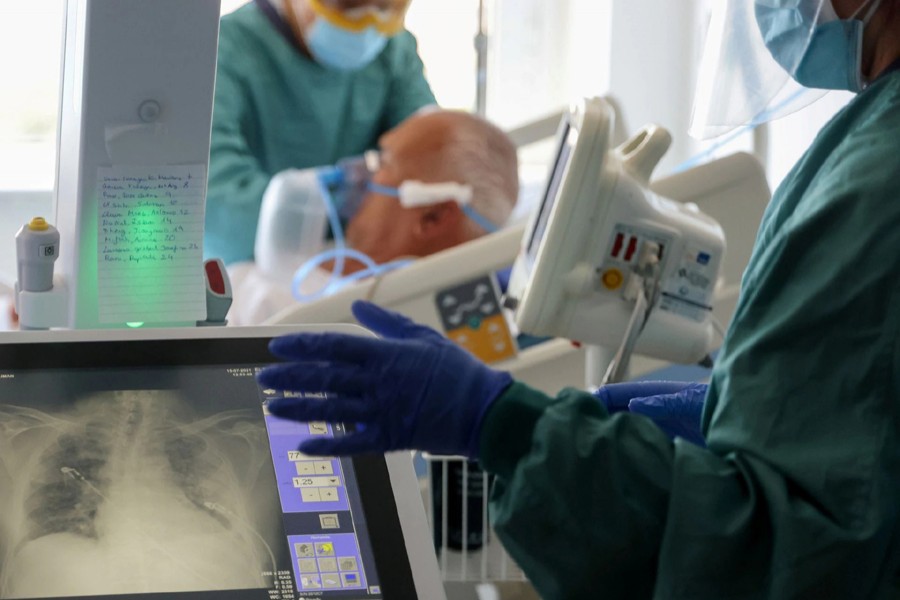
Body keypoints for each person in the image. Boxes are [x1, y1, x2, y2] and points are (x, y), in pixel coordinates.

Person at [258, 0, 900, 597]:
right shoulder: (870, 141)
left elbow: (774, 554)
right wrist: (723, 410)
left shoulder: (872, 189)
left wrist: (500, 424)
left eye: (378, 171)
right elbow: (856, 430)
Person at [227, 109, 519, 325]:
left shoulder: (356, 315)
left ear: (432, 217)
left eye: (384, 161)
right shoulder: (336, 261)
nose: (358, 173)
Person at [205, 0, 436, 266]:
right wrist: (328, 203)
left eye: (386, 8)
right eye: (349, 5)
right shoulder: (223, 51)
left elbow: (436, 155)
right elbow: (220, 216)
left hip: (366, 266)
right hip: (254, 268)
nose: (368, 22)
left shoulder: (394, 50)